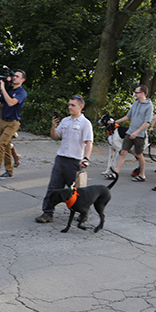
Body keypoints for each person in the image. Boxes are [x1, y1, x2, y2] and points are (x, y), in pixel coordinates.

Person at [35, 95, 93, 224]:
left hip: (75, 161)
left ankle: (85, 210)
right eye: (69, 104)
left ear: (80, 107)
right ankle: (47, 213)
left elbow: (89, 142)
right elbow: (54, 136)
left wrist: (86, 158)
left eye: (73, 105)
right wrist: (53, 126)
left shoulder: (85, 123)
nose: (69, 107)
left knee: (77, 191)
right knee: (53, 188)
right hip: (61, 159)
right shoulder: (65, 121)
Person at [110, 85, 156, 182]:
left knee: (138, 154)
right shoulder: (135, 103)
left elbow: (146, 122)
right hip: (129, 132)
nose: (135, 94)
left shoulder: (149, 106)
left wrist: (136, 132)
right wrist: (115, 122)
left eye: (137, 92)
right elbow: (127, 117)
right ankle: (116, 173)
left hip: (139, 135)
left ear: (143, 93)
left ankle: (142, 174)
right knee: (123, 152)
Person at [0, 70, 27, 182]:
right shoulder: (9, 90)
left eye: (17, 76)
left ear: (22, 80)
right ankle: (9, 171)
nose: (14, 78)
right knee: (7, 146)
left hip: (13, 123)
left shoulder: (21, 92)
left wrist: (3, 89)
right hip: (3, 121)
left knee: (0, 146)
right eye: (14, 76)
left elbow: (11, 103)